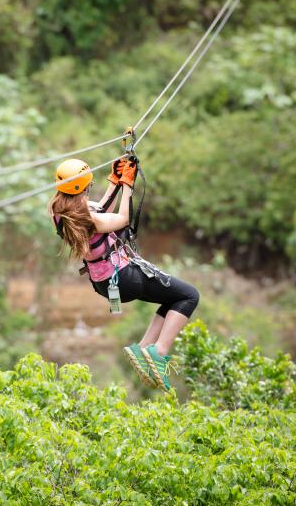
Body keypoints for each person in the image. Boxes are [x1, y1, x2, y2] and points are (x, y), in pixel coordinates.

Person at [48, 157, 199, 391]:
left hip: (103, 281)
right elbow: (120, 220)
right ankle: (158, 351)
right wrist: (128, 186)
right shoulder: (88, 217)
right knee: (189, 296)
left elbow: (98, 211)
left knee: (172, 298)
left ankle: (144, 348)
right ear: (85, 186)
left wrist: (115, 181)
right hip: (123, 277)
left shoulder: (58, 211)